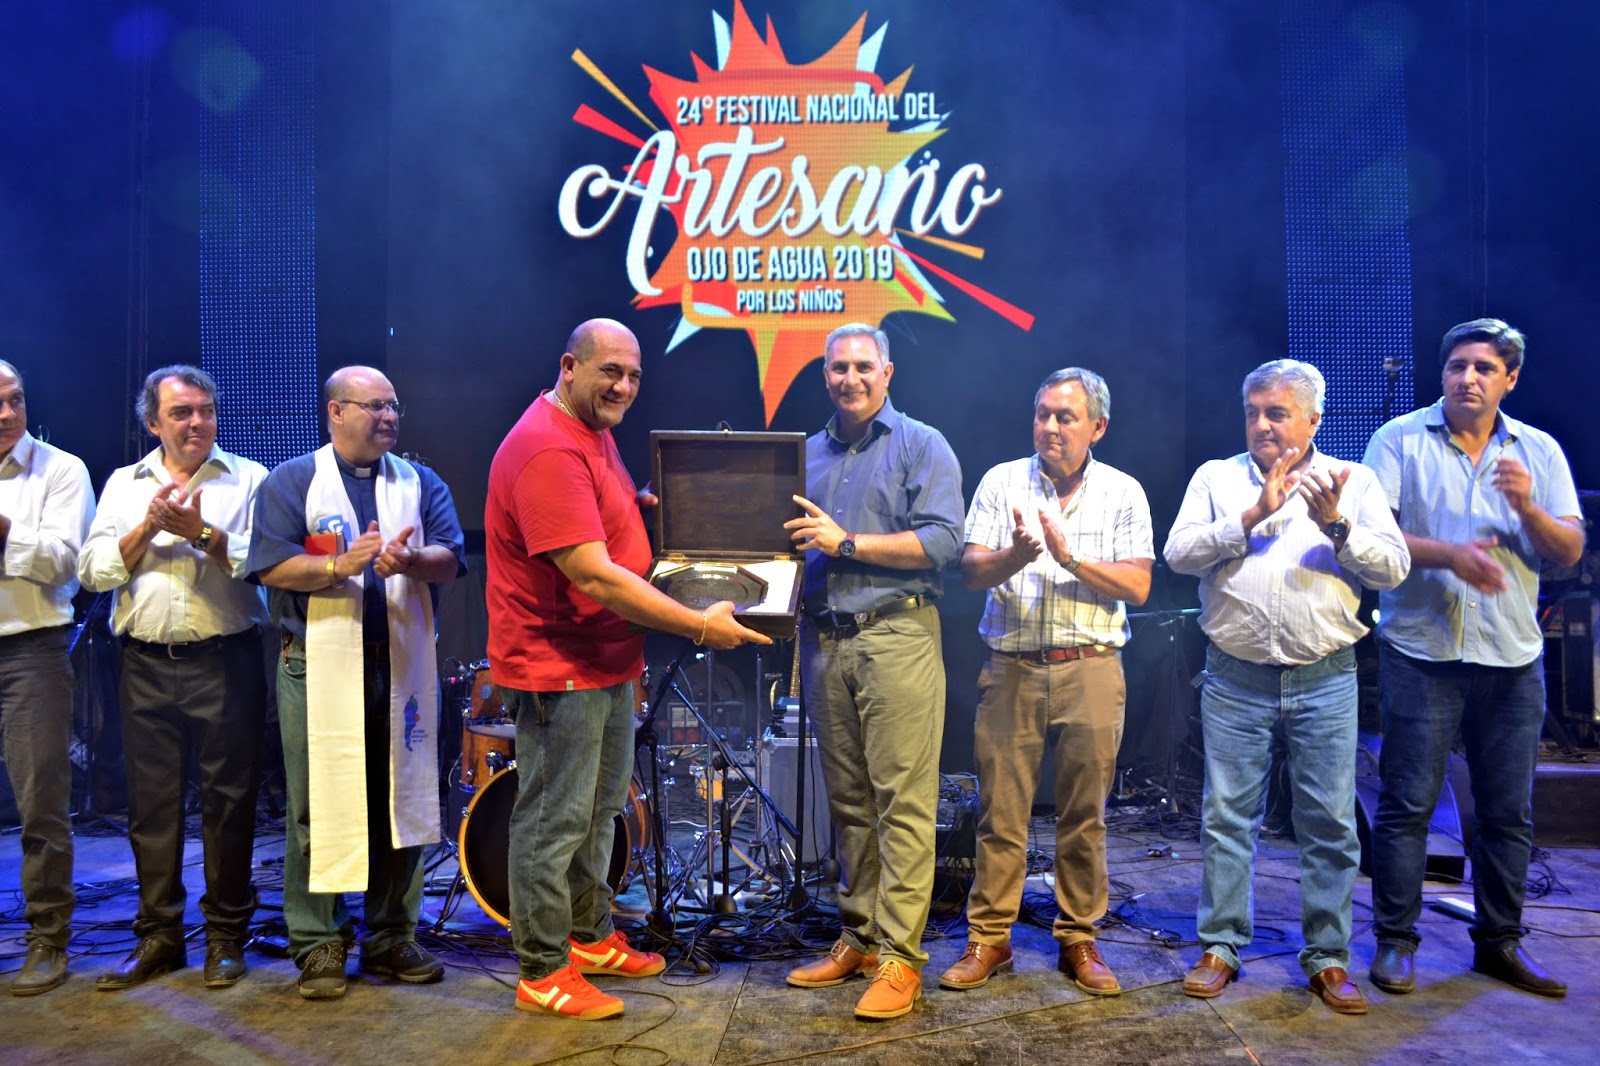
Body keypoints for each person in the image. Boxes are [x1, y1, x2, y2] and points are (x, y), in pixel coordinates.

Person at [487, 318, 770, 1021]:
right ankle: (542, 969)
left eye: (634, 375)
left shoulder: (590, 430)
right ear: (569, 366)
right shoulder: (547, 446)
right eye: (609, 371)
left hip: (607, 660)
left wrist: (632, 510)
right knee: (554, 820)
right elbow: (593, 576)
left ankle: (587, 937)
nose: (623, 386)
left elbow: (596, 524)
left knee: (600, 811)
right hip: (560, 665)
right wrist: (698, 625)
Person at [1165, 359, 1409, 1015]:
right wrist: (1251, 515)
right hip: (1235, 677)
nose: (1262, 424)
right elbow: (1178, 554)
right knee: (1226, 818)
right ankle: (1220, 946)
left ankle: (1328, 956)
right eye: (1253, 412)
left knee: (1329, 823)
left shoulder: (1353, 482)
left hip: (1325, 679)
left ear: (1313, 420)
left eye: (1276, 412)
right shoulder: (1216, 478)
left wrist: (1338, 527)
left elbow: (1394, 567)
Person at [1364, 319, 1584, 999]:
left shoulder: (1538, 452)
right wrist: (1450, 555)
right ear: (1442, 372)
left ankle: (1499, 943)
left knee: (1507, 813)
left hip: (1511, 658)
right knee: (1407, 806)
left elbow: (1568, 549)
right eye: (1457, 366)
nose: (1468, 378)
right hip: (1422, 651)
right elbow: (1374, 538)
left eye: (1484, 368)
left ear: (1510, 379)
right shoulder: (1398, 439)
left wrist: (1527, 508)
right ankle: (1396, 941)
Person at [247, 366, 466, 1000]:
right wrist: (339, 565)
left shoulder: (420, 482)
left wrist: (410, 560)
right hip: (315, 663)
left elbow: (450, 556)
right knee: (317, 803)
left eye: (394, 405)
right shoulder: (294, 480)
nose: (389, 416)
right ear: (336, 411)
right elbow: (270, 565)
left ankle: (392, 934)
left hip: (401, 661)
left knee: (402, 797)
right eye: (374, 406)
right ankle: (318, 940)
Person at [939, 368, 1153, 997]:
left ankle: (1078, 937)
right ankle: (990, 938)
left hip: (1091, 666)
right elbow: (970, 571)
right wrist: (1016, 556)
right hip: (1012, 667)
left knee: (1084, 816)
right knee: (1000, 814)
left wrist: (1069, 558)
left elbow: (1139, 584)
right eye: (1043, 414)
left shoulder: (1123, 491)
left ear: (1098, 427)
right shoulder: (1002, 480)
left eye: (1066, 417)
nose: (1051, 427)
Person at [782, 323, 963, 1020]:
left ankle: (900, 958)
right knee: (849, 802)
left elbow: (944, 541)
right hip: (824, 641)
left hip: (896, 636)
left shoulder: (921, 443)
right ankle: (858, 936)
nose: (850, 378)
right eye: (838, 368)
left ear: (887, 373)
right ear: (824, 375)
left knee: (902, 804)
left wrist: (847, 543)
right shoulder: (803, 455)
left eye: (863, 366)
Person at [79, 366, 269, 991]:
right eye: (182, 412)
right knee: (152, 806)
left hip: (226, 660)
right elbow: (94, 573)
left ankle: (225, 936)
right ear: (153, 422)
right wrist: (150, 527)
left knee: (229, 803)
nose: (197, 422)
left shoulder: (248, 478)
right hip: (144, 664)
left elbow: (266, 563)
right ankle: (159, 936)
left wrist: (202, 533)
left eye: (206, 410)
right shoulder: (123, 484)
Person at [0, 360, 94, 996]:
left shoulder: (60, 469)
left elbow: (66, 564)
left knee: (41, 805)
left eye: (16, 399)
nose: (8, 414)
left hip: (29, 649)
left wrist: (4, 530)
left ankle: (48, 937)